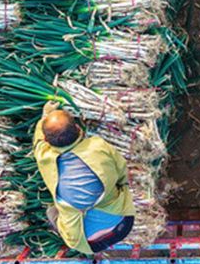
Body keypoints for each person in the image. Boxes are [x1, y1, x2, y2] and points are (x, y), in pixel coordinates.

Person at [32, 101, 135, 255]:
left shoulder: (45, 157)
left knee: (52, 212)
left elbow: (38, 142)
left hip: (85, 243)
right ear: (78, 128)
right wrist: (119, 187)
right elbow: (122, 170)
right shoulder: (98, 146)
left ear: (47, 141)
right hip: (124, 223)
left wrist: (45, 115)